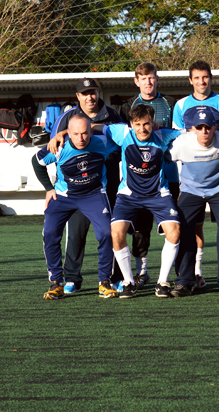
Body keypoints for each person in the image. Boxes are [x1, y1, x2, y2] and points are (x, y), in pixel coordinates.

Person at [46, 78, 123, 294]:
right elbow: (56, 152)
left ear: (99, 93)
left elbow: (120, 144)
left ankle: (112, 278)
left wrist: (97, 154)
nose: (90, 97)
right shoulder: (65, 118)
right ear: (78, 96)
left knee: (110, 231)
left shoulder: (112, 114)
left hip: (106, 184)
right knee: (76, 233)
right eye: (85, 93)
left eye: (94, 92)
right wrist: (52, 187)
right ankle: (72, 278)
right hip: (76, 188)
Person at [98, 104, 182, 298]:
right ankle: (128, 283)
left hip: (158, 194)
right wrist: (65, 132)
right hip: (128, 195)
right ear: (131, 124)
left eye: (146, 124)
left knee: (175, 232)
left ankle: (162, 283)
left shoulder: (164, 135)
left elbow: (188, 134)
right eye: (137, 124)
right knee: (116, 233)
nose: (142, 129)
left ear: (153, 123)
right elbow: (97, 127)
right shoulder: (122, 133)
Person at [33, 115, 120, 299]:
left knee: (106, 233)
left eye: (84, 133)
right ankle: (56, 282)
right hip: (64, 197)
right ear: (68, 133)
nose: (81, 138)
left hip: (94, 195)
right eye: (75, 134)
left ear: (91, 131)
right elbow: (37, 162)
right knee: (49, 233)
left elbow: (127, 141)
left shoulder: (103, 142)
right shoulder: (59, 146)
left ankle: (104, 281)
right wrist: (48, 189)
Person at [116, 62, 181, 290]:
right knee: (141, 227)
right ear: (137, 81)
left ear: (157, 78)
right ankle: (141, 271)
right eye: (143, 78)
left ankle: (178, 275)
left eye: (151, 77)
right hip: (136, 178)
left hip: (166, 176)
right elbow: (116, 133)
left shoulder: (171, 103)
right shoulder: (127, 106)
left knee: (174, 226)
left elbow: (182, 133)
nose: (148, 82)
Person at [168, 106, 219, 296]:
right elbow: (161, 153)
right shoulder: (181, 144)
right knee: (184, 228)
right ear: (192, 128)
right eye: (199, 127)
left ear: (215, 127)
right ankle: (185, 280)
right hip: (191, 191)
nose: (204, 131)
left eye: (208, 127)